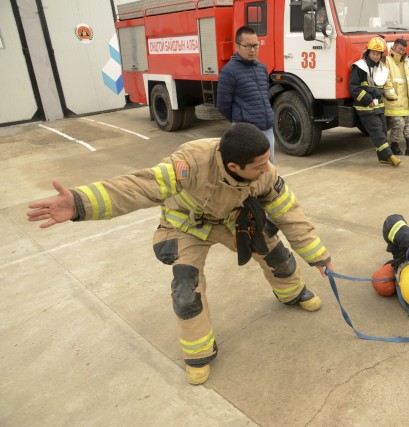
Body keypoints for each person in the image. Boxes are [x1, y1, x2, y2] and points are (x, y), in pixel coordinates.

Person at [26, 123, 334, 385]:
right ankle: (199, 351)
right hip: (186, 225)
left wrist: (317, 255)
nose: (267, 167)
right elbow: (139, 187)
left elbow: (288, 212)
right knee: (186, 288)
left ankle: (292, 293)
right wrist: (80, 203)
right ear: (233, 167)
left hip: (232, 220)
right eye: (259, 164)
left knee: (277, 254)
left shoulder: (265, 173)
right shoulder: (190, 161)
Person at [217, 26, 276, 163]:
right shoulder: (229, 71)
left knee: (269, 169)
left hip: (268, 129)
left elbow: (264, 95)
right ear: (237, 46)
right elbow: (222, 105)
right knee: (252, 170)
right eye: (248, 46)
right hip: (247, 133)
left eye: (256, 45)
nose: (253, 50)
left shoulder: (262, 68)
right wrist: (240, 120)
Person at [349, 36, 401, 166]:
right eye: (374, 53)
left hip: (379, 106)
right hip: (365, 107)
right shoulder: (360, 67)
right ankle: (390, 156)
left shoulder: (381, 68)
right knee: (378, 133)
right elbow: (354, 88)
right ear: (368, 52)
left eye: (378, 54)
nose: (376, 56)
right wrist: (367, 100)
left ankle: (382, 158)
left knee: (383, 130)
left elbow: (382, 87)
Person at [384, 38, 409, 157]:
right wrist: (392, 95)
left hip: (406, 100)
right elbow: (386, 80)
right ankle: (394, 145)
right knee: (398, 124)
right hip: (394, 100)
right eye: (400, 49)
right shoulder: (387, 60)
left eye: (403, 49)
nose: (401, 51)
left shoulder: (404, 61)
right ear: (394, 46)